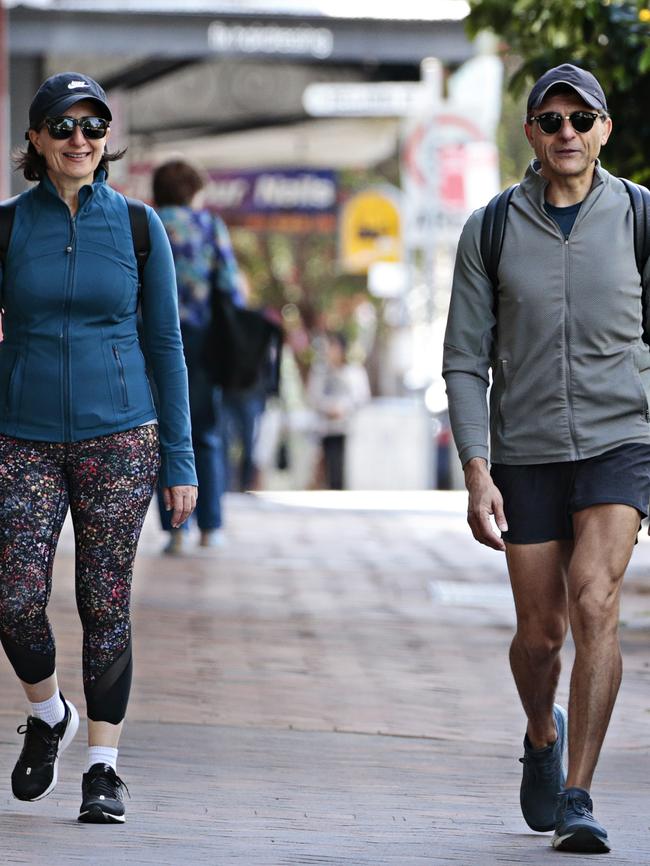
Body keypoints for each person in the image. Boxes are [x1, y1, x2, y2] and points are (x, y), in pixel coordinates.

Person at [443, 63, 650, 854]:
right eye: (550, 118)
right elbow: (465, 358)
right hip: (526, 451)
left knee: (596, 600)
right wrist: (474, 466)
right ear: (530, 131)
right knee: (541, 636)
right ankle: (541, 731)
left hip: (620, 441)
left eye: (580, 118)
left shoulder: (638, 218)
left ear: (604, 130)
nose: (566, 131)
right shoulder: (491, 229)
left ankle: (579, 794)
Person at [0, 73, 197, 824]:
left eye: (93, 125)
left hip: (121, 436)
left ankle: (105, 768)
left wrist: (180, 461)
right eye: (63, 125)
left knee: (104, 598)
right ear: (37, 140)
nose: (79, 138)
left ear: (107, 138)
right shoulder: (9, 227)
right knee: (15, 597)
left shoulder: (143, 229)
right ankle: (49, 713)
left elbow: (167, 346)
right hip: (21, 437)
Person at [152, 159, 242, 551]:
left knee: (159, 430)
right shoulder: (209, 226)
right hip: (202, 340)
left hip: (152, 338)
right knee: (204, 432)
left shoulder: (146, 223)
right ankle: (211, 526)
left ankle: (174, 532)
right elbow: (230, 287)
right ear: (192, 190)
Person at [308, 330, 370, 489]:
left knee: (346, 472)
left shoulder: (355, 372)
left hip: (349, 431)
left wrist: (343, 409)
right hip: (326, 430)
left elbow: (361, 398)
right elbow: (314, 397)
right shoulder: (320, 372)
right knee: (330, 473)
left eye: (333, 346)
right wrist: (328, 408)